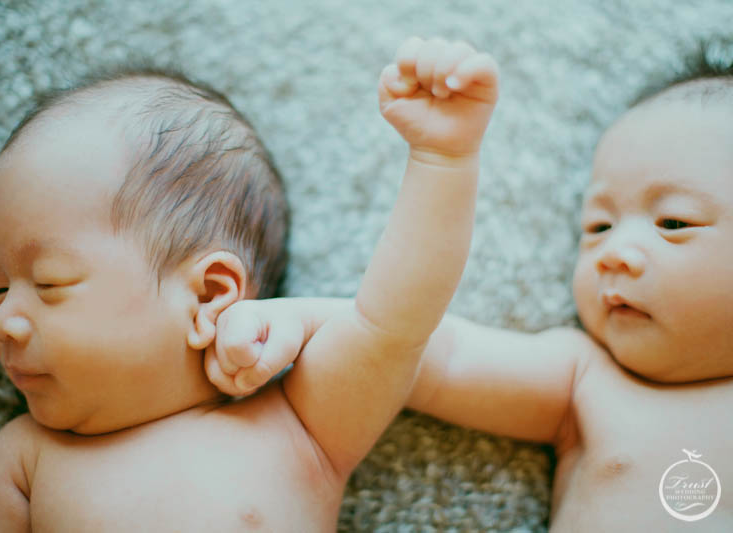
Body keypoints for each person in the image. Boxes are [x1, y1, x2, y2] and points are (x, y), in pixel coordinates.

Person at [0, 37, 499, 531]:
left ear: (207, 296)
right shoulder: (24, 458)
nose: (3, 322)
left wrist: (443, 159)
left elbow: (394, 318)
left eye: (49, 283)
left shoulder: (302, 426)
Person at [211, 44, 733, 530]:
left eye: (674, 223)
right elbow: (433, 353)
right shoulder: (586, 381)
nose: (615, 253)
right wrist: (301, 321)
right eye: (598, 227)